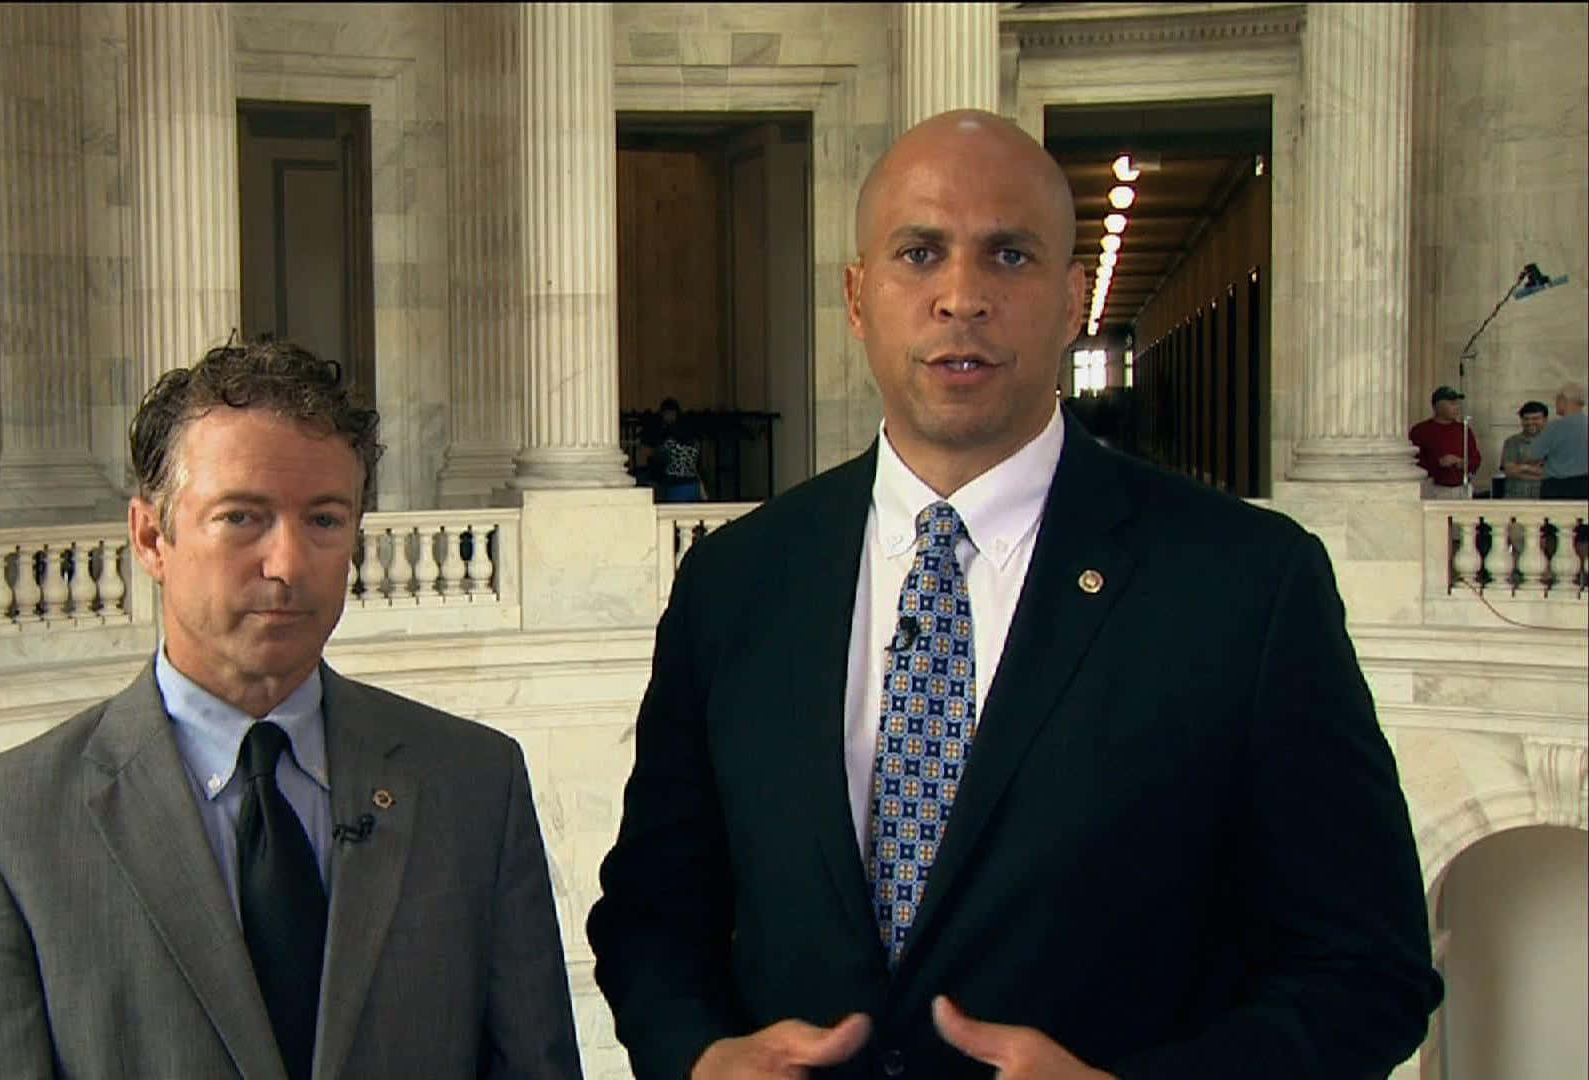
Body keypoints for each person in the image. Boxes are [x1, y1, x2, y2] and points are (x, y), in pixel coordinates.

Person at [588, 110, 1440, 1079]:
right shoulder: (738, 581)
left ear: (1073, 297)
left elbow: (1365, 971)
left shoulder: (1246, 582)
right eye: (919, 253)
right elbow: (654, 911)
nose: (962, 297)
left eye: (1009, 256)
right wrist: (699, 1058)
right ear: (859, 298)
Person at [0, 339, 581, 1079]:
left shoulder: (475, 783)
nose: (287, 564)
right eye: (242, 518)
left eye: (324, 520)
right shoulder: (1, 830)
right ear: (151, 536)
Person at [1407, 386, 1482, 498]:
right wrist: (1439, 463)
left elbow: (1476, 459)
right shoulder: (1421, 430)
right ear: (1438, 406)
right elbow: (1413, 462)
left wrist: (1463, 463)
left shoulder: (1463, 429)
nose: (1457, 407)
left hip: (1461, 488)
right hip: (1433, 488)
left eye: (1457, 403)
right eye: (1452, 404)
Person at [1525, 382, 1589, 500]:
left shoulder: (1555, 427)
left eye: (1557, 400)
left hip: (1557, 488)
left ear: (1563, 400)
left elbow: (1531, 455)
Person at [643, 397, 708, 503]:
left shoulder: (669, 442)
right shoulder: (694, 442)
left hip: (676, 485)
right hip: (693, 484)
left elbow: (657, 457)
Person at [1498, 399, 1549, 499]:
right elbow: (1509, 471)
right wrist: (1536, 471)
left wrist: (1522, 467)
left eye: (1535, 418)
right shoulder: (1512, 442)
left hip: (1546, 500)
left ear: (1545, 419)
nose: (1530, 422)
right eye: (1526, 419)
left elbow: (1555, 473)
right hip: (1516, 499)